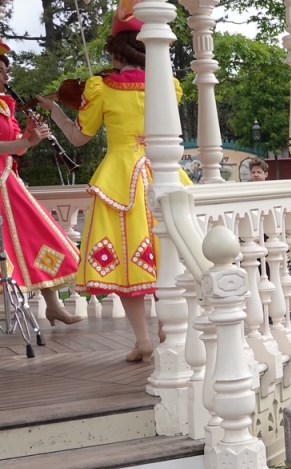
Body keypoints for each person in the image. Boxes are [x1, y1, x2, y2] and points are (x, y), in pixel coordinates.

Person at [40, 0, 188, 361]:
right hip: (164, 175)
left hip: (119, 181)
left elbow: (78, 139)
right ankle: (169, 326)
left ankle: (143, 340)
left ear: (118, 53)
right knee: (169, 252)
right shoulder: (169, 85)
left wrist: (55, 110)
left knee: (123, 262)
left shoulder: (101, 87)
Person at [0, 42, 82, 326]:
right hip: (4, 184)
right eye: (0, 71)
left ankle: (53, 304)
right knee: (17, 243)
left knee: (37, 237)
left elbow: (17, 149)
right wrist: (25, 141)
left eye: (6, 71)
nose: (6, 77)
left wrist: (31, 135)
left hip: (9, 181)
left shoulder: (6, 105)